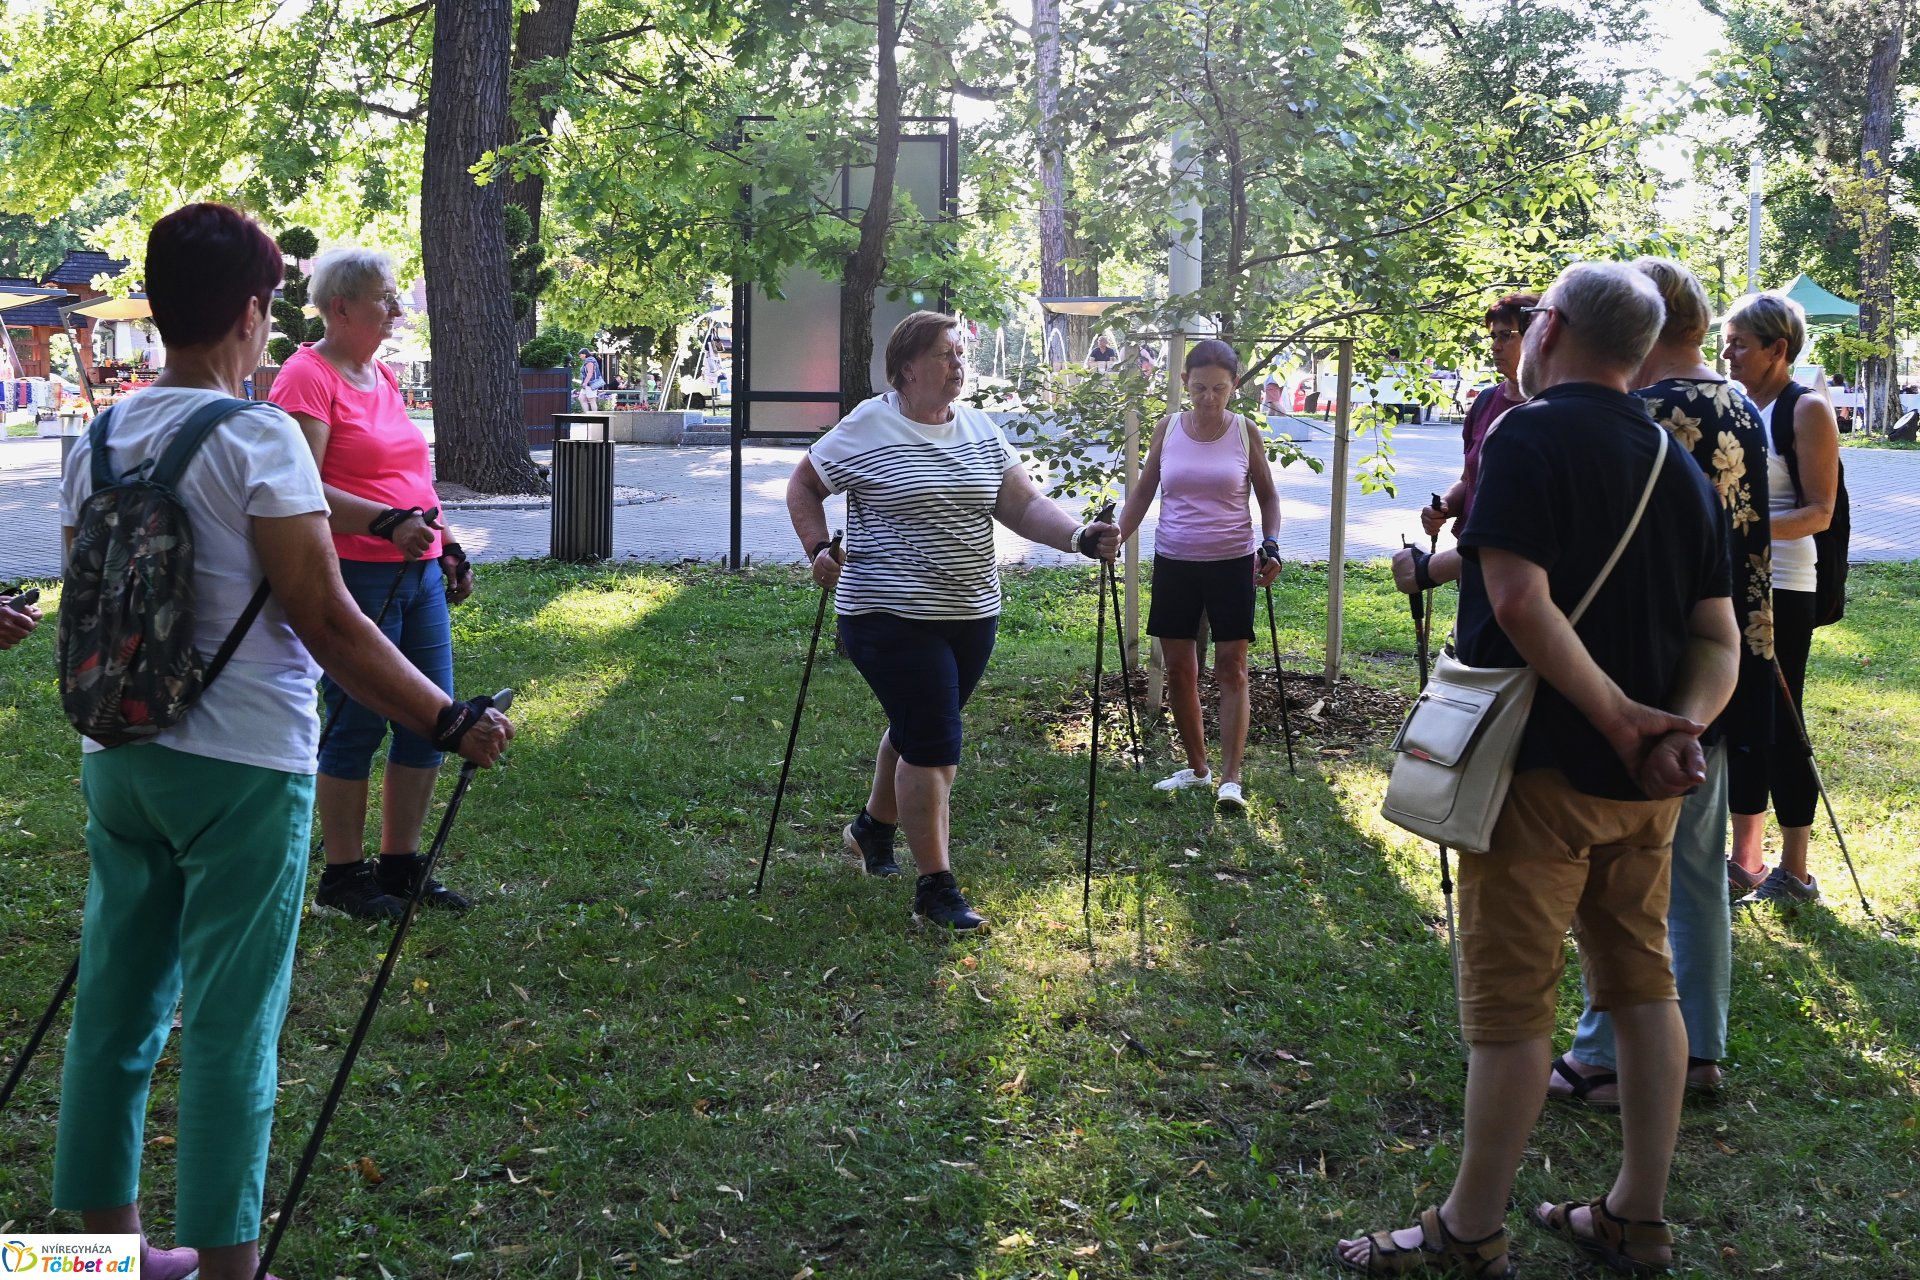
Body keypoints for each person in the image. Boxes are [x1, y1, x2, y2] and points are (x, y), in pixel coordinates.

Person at [51, 202, 512, 1280]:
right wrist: (442, 717)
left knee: (113, 1008)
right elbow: (329, 618)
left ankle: (96, 1258)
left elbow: (87, 598)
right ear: (256, 313)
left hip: (118, 757)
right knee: (227, 1024)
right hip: (243, 765)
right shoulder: (255, 437)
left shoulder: (99, 435)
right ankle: (227, 1267)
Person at [1337, 262, 1738, 1277]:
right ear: (1640, 352)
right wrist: (1673, 728)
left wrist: (1615, 720)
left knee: (1514, 1009)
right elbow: (1718, 635)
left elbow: (1517, 598)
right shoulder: (1678, 462)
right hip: (1646, 787)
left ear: (1549, 327)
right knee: (1644, 982)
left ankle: (1470, 1227)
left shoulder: (1526, 433)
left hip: (1536, 772)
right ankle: (1636, 1214)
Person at [786, 310, 1119, 934]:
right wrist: (817, 549)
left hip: (970, 613)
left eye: (960, 353)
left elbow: (1018, 504)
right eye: (945, 354)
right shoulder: (869, 424)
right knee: (936, 743)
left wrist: (1078, 536)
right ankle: (935, 889)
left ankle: (870, 830)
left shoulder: (979, 429)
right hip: (886, 612)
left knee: (917, 730)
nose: (958, 364)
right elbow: (804, 485)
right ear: (907, 367)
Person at [1547, 257, 1773, 1106]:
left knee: (1625, 884)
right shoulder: (1739, 404)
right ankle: (1701, 1047)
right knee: (1699, 866)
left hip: (1651, 668)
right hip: (1730, 659)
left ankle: (1608, 1048)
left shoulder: (1648, 411)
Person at [270, 247, 481, 921]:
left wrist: (445, 542)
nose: (394, 311)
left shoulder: (381, 375)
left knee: (431, 716)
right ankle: (342, 875)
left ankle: (399, 866)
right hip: (353, 574)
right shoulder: (307, 376)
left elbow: (414, 479)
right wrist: (385, 523)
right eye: (383, 300)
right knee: (357, 720)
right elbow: (301, 488)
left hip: (414, 573)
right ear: (340, 307)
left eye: (394, 299)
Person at [1115, 339, 1282, 811]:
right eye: (1200, 387)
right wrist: (1114, 536)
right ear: (1185, 382)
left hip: (1232, 562)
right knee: (1180, 671)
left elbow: (1268, 497)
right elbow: (1144, 494)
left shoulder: (1245, 432)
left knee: (1233, 669)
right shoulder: (1167, 429)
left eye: (1220, 388)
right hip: (1175, 562)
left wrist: (1271, 544)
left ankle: (1232, 778)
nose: (1209, 397)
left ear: (1234, 387)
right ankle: (1197, 768)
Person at [1722, 291, 1840, 906]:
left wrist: (1746, 534)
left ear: (1778, 349)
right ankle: (1747, 860)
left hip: (1787, 585)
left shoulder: (1806, 410)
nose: (1728, 352)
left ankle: (1796, 871)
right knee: (1743, 717)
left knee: (1783, 722)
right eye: (1726, 340)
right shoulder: (1734, 405)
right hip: (1735, 585)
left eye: (1740, 342)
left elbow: (1819, 512)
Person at [1391, 293, 1537, 596]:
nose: (1496, 346)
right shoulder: (1485, 402)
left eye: (1507, 336)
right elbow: (1469, 479)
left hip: (1527, 567)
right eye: (1493, 336)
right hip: (1471, 556)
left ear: (1537, 337)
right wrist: (1445, 506)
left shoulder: (1553, 406)